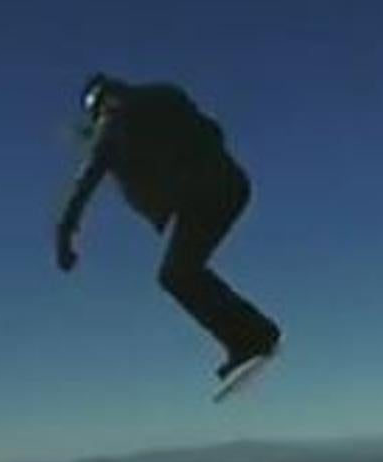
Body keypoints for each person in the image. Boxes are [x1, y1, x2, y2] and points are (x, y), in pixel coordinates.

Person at [55, 72, 281, 384]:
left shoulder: (112, 123)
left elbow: (86, 180)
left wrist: (64, 234)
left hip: (205, 198)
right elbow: (208, 130)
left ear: (100, 105)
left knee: (177, 275)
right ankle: (251, 335)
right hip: (232, 184)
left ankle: (253, 338)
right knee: (185, 271)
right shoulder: (163, 95)